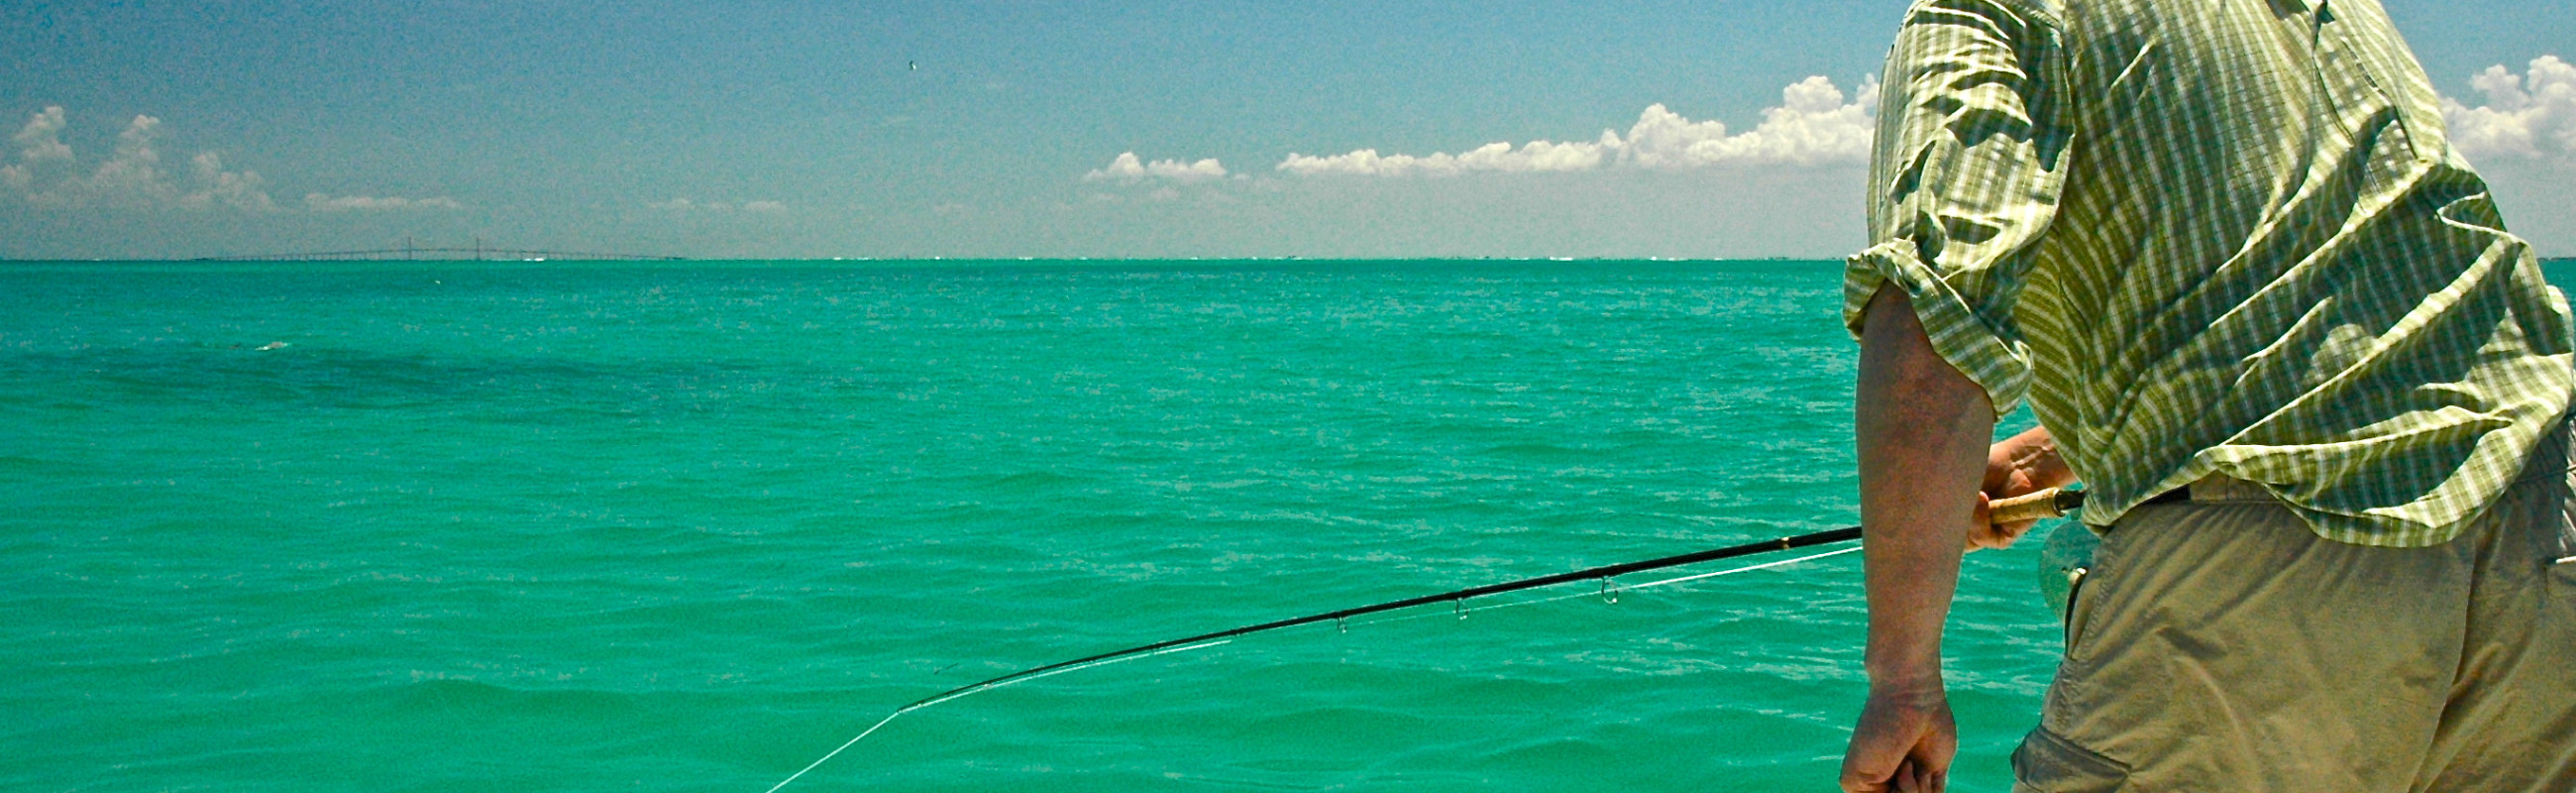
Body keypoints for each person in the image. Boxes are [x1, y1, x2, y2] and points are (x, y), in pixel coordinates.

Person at [1831, 0, 2576, 791]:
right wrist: (2045, 458)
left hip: (2264, 603)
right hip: (2547, 520)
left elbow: (1934, 312)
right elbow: (2323, 294)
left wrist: (1902, 677)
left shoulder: (1984, 10)